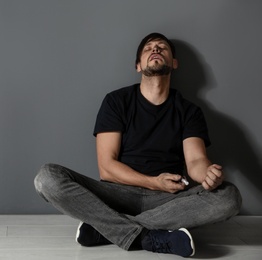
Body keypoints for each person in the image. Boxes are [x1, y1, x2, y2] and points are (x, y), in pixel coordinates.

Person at [34, 32, 242, 257]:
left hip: (169, 200)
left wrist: (208, 175)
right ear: (138, 66)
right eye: (148, 48)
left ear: (174, 63)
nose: (155, 49)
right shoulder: (116, 101)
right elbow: (106, 166)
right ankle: (149, 238)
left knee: (229, 196)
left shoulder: (189, 111)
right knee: (47, 178)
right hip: (117, 194)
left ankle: (106, 229)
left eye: (162, 47)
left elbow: (195, 161)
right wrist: (154, 182)